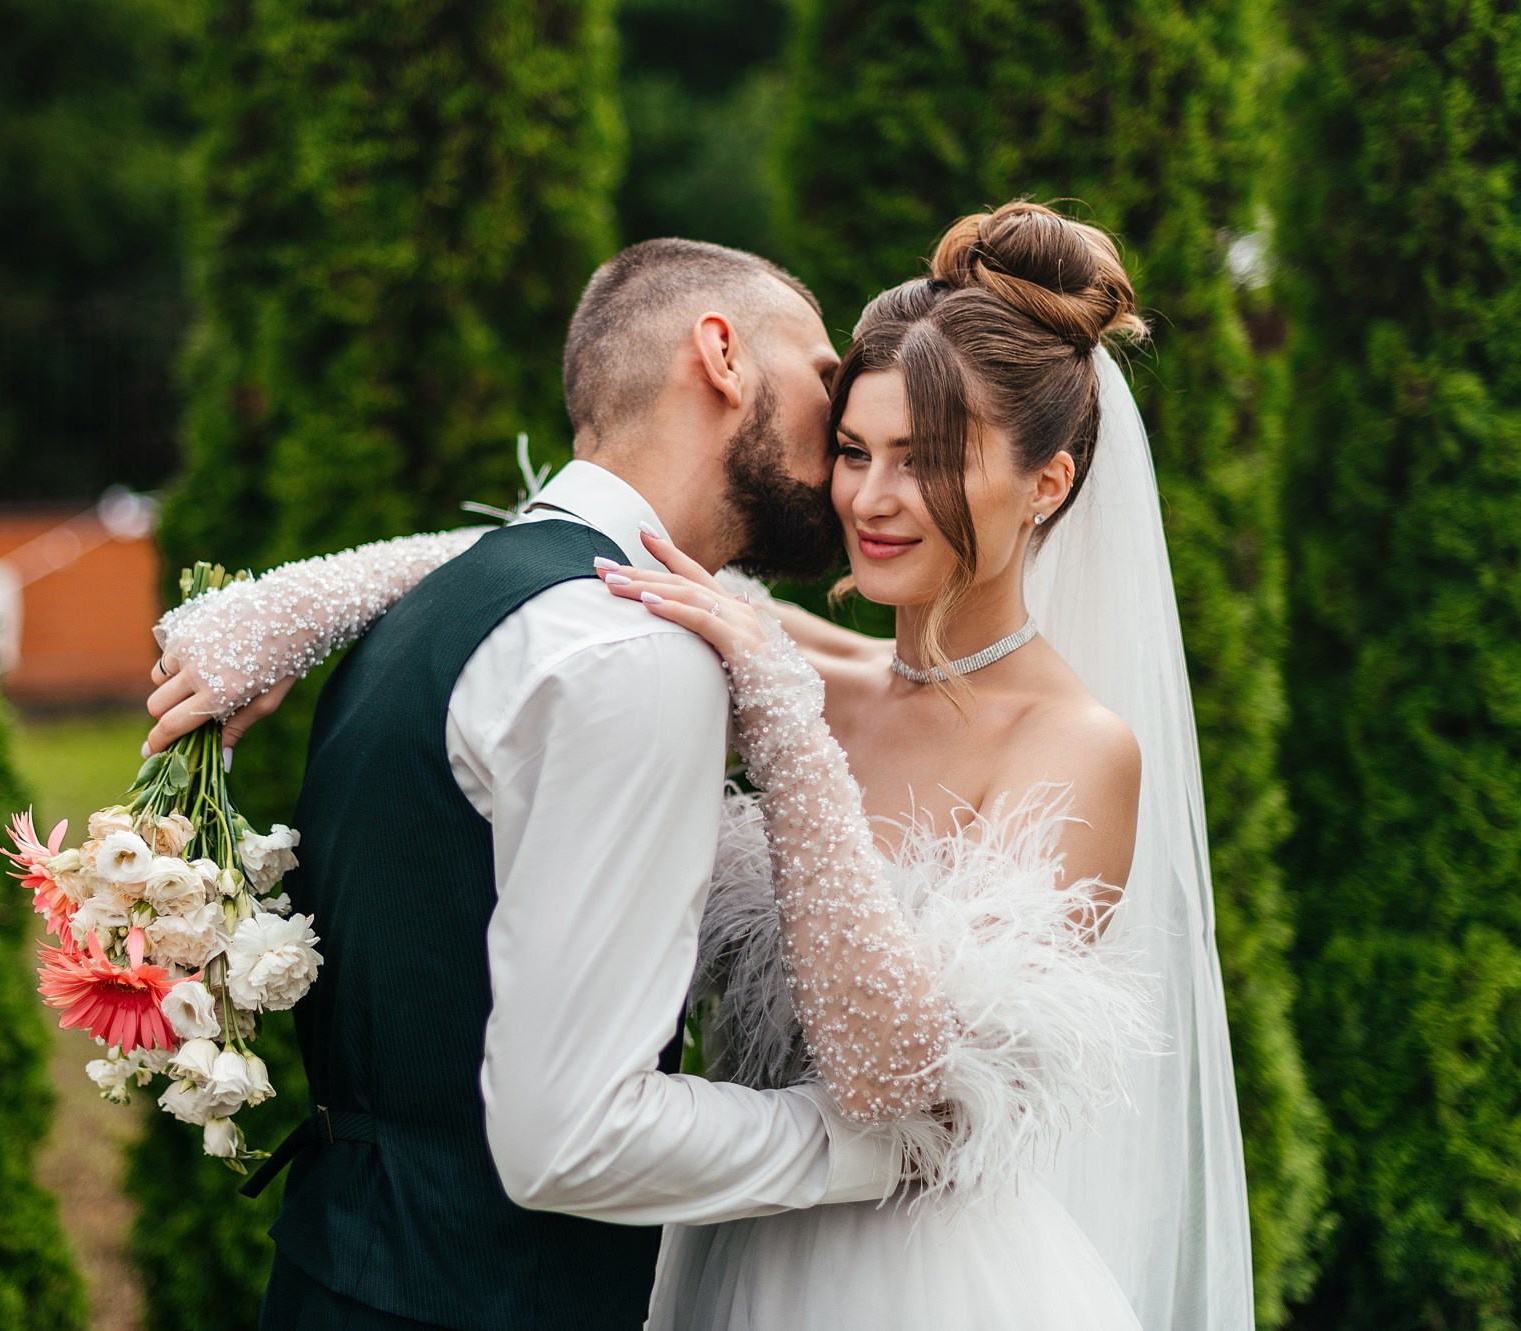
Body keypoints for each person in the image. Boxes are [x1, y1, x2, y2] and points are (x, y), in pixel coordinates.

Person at [147, 204, 1252, 1329]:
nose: (869, 498)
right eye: (855, 450)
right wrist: (279, 612)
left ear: (1049, 483)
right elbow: (568, 565)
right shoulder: (812, 663)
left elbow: (894, 1082)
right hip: (721, 1232)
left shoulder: (1073, 743)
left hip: (924, 1278)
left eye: (926, 462)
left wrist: (782, 726)